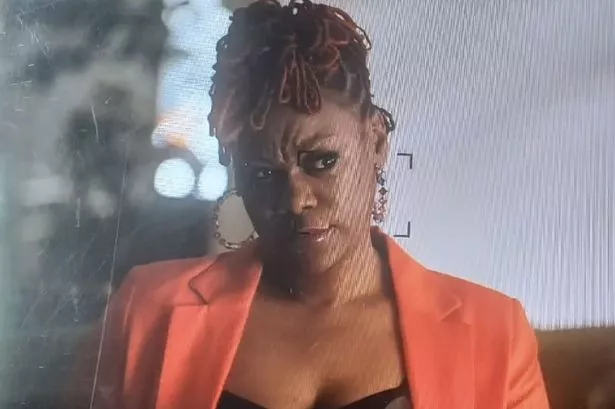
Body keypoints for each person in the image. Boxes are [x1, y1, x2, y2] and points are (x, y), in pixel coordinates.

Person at [69, 1, 550, 408]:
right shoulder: (146, 312)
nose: (296, 199)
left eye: (322, 162)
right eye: (262, 174)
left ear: (376, 142)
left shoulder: (494, 334)